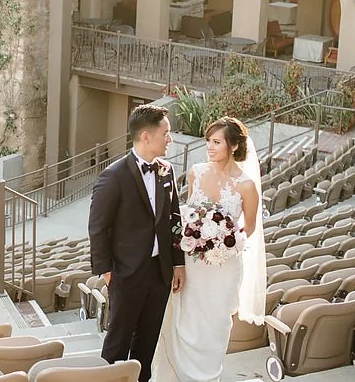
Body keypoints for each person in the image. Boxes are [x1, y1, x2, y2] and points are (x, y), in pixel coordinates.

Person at [153, 116, 266, 382]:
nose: (210, 147)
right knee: (183, 320)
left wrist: (223, 240)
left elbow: (248, 228)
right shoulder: (197, 172)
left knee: (213, 325)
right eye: (208, 142)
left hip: (222, 267)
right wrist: (197, 235)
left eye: (217, 142)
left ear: (234, 146)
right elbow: (189, 214)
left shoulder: (247, 186)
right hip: (191, 265)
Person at [88, 104, 186, 382]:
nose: (170, 139)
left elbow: (174, 219)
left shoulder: (166, 171)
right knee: (117, 343)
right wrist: (107, 272)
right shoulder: (113, 176)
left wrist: (177, 263)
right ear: (145, 136)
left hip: (159, 273)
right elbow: (97, 228)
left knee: (147, 343)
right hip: (126, 274)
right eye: (165, 133)